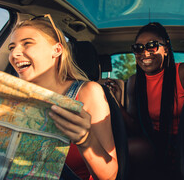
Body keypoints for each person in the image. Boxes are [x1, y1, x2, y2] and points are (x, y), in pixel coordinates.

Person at [8, 15, 118, 180]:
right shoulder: (13, 97)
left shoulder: (88, 92)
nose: (14, 53)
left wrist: (86, 140)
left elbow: (109, 176)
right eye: (11, 47)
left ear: (57, 50)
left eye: (27, 43)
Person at [106, 22, 184, 179]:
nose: (145, 53)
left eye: (152, 46)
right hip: (155, 141)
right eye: (138, 48)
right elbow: (136, 127)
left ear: (165, 49)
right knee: (124, 150)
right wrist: (116, 104)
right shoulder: (135, 82)